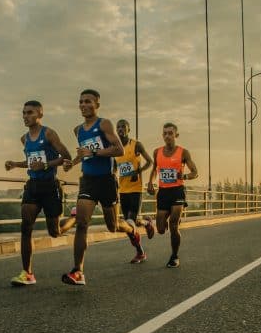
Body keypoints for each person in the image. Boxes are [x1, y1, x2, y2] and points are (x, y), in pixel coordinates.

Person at [61, 89, 141, 285]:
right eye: (80, 101)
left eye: (88, 101)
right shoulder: (78, 130)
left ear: (97, 104)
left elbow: (118, 149)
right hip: (88, 180)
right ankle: (78, 271)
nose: (83, 105)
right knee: (82, 223)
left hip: (106, 181)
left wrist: (94, 152)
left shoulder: (104, 124)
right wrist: (72, 162)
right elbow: (83, 153)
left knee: (113, 226)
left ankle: (132, 229)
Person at [5, 100, 76, 286]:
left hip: (50, 186)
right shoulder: (25, 139)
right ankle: (27, 273)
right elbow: (30, 161)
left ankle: (74, 218)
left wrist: (45, 165)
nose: (25, 116)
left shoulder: (49, 133)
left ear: (39, 114)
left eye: (29, 113)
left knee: (55, 231)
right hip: (33, 186)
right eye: (23, 113)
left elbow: (66, 157)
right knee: (25, 227)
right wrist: (15, 164)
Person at [147, 122, 198, 268]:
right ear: (162, 135)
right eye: (165, 133)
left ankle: (174, 256)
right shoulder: (157, 152)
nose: (167, 136)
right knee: (161, 229)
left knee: (173, 225)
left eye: (170, 133)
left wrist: (185, 176)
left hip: (177, 191)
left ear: (176, 135)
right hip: (163, 192)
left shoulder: (183, 152)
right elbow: (154, 169)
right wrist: (150, 182)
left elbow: (195, 172)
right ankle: (156, 221)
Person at [114, 119, 154, 263]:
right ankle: (147, 223)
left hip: (136, 189)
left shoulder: (136, 145)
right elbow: (114, 168)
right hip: (122, 190)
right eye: (118, 127)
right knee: (130, 223)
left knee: (130, 221)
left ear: (128, 129)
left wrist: (139, 171)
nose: (120, 129)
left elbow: (150, 161)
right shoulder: (116, 148)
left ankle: (140, 252)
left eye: (123, 127)